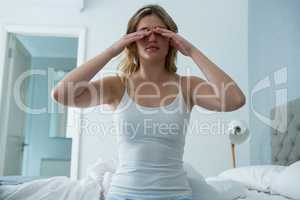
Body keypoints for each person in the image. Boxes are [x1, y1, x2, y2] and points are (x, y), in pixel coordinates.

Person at [52, 4, 246, 200]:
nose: (152, 38)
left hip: (176, 195)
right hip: (123, 194)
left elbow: (234, 99)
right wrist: (112, 50)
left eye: (160, 32)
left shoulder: (187, 86)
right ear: (131, 40)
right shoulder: (117, 85)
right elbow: (62, 94)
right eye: (144, 32)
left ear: (172, 41)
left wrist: (192, 50)